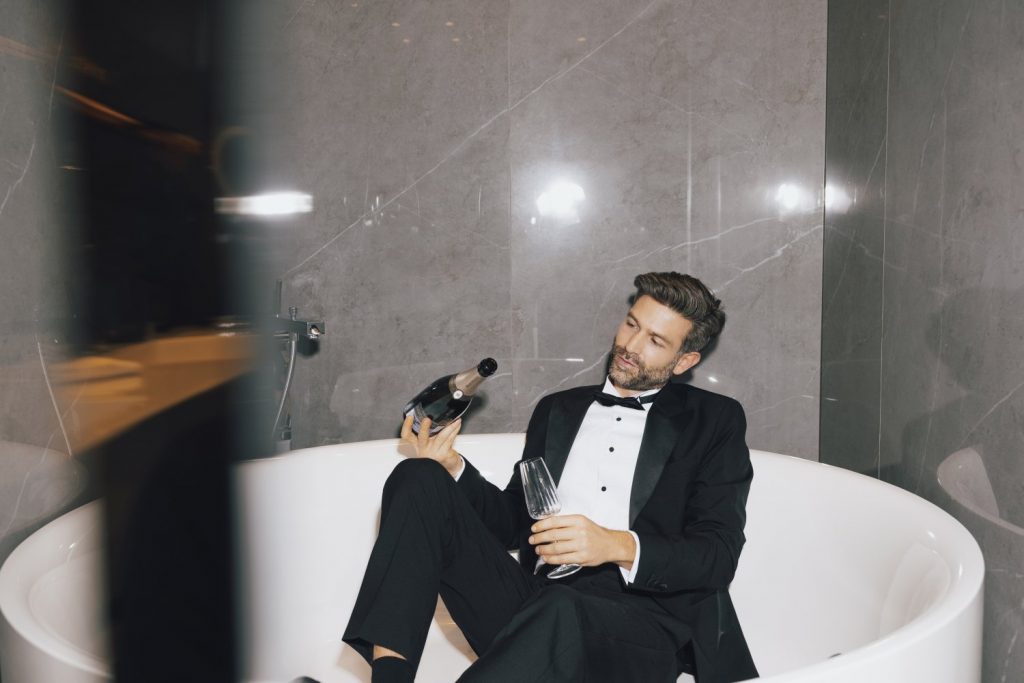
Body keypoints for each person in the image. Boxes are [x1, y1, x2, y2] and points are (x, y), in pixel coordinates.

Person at [342, 272, 758, 683]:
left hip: (641, 626)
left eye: (655, 341)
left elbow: (718, 554)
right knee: (418, 475)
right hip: (535, 604)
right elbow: (513, 522)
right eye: (632, 324)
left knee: (562, 608)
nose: (630, 346)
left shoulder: (714, 419)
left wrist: (613, 545)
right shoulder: (557, 409)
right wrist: (451, 466)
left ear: (684, 361)